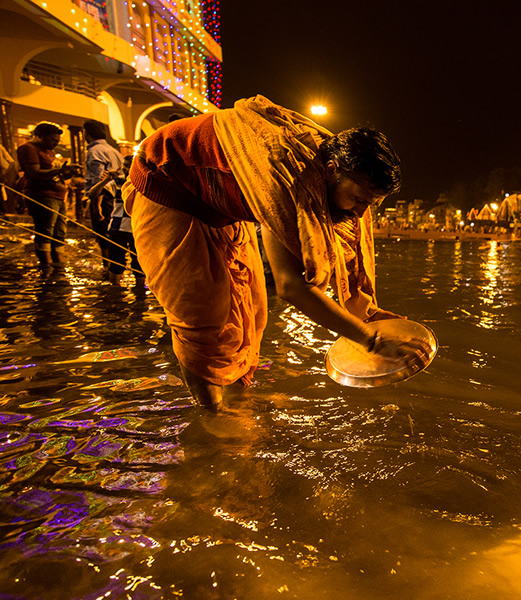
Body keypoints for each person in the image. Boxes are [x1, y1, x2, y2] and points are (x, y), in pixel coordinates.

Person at [123, 95, 430, 409]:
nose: (361, 211)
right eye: (359, 198)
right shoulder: (282, 175)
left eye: (371, 203)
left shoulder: (336, 180)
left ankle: (239, 404)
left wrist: (369, 317)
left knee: (251, 315)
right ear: (330, 170)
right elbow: (290, 286)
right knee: (204, 317)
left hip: (224, 208)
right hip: (168, 192)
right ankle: (213, 423)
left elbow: (349, 259)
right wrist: (370, 339)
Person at [16, 122, 80, 272]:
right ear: (39, 136)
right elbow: (34, 173)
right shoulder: (28, 148)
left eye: (57, 141)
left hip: (58, 195)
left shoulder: (49, 151)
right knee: (45, 229)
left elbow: (57, 173)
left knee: (59, 231)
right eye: (52, 140)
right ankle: (46, 264)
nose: (55, 144)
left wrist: (68, 172)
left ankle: (59, 263)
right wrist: (58, 171)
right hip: (42, 194)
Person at [87, 155, 143, 287]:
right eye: (124, 165)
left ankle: (140, 292)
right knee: (116, 262)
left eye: (129, 166)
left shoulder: (143, 184)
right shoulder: (117, 184)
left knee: (139, 263)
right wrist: (105, 180)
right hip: (117, 228)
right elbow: (92, 194)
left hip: (137, 228)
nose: (126, 169)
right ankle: (115, 292)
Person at [84, 119, 124, 275]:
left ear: (87, 134)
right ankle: (115, 267)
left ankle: (108, 268)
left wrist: (95, 204)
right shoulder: (114, 151)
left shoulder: (95, 151)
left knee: (103, 233)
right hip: (116, 198)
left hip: (103, 197)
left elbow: (98, 180)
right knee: (114, 232)